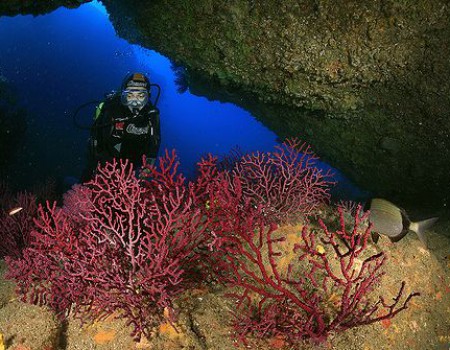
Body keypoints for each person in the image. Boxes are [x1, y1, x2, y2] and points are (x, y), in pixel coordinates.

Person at [83, 72, 161, 180]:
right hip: (104, 165)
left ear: (147, 96)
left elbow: (155, 142)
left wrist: (148, 165)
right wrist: (111, 168)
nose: (135, 102)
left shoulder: (151, 115)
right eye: (130, 96)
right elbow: (100, 143)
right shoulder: (112, 109)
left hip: (132, 168)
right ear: (123, 95)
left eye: (141, 96)